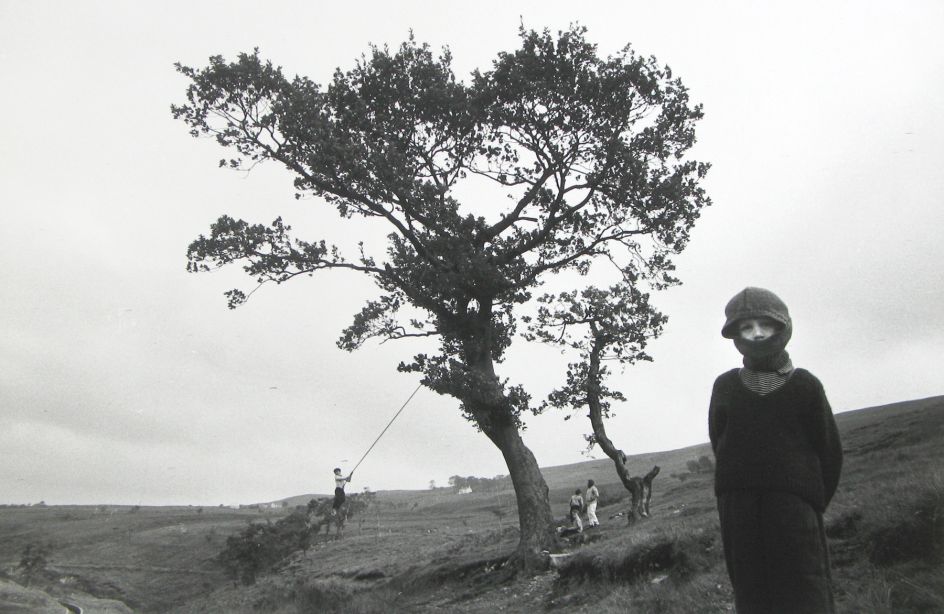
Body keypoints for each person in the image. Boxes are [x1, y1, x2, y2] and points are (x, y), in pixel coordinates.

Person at [708, 287, 843, 614]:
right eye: (746, 327)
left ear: (781, 327)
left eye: (764, 325)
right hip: (739, 513)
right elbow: (721, 443)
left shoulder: (806, 386)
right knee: (753, 595)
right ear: (736, 335)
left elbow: (830, 453)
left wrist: (804, 502)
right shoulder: (725, 387)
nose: (756, 334)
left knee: (804, 593)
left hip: (795, 513)